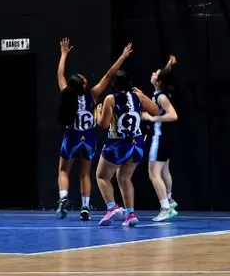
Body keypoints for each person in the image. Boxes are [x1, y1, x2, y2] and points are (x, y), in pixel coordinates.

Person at [56, 39, 133, 220]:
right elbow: (108, 75)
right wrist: (122, 57)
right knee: (85, 174)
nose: (86, 78)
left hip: (72, 137)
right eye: (84, 79)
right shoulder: (93, 94)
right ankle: (85, 206)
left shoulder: (67, 94)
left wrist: (63, 54)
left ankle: (63, 198)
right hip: (89, 139)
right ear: (83, 85)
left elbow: (60, 74)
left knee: (63, 171)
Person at [95, 69, 158, 227]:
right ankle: (130, 214)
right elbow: (156, 111)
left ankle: (112, 207)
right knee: (124, 178)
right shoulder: (138, 96)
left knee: (102, 176)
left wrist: (98, 111)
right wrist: (143, 95)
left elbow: (103, 124)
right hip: (137, 144)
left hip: (118, 143)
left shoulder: (111, 99)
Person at [142, 55, 179, 221]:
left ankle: (165, 207)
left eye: (155, 74)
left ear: (159, 82)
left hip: (160, 137)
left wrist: (152, 118)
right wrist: (169, 64)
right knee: (164, 171)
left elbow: (173, 115)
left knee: (153, 174)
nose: (152, 74)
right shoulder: (160, 91)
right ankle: (169, 200)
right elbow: (164, 75)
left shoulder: (161, 97)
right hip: (167, 138)